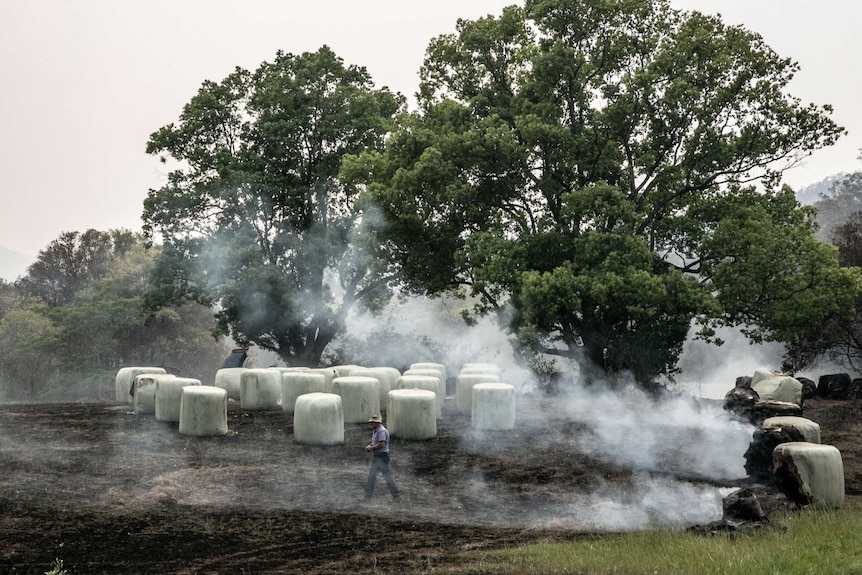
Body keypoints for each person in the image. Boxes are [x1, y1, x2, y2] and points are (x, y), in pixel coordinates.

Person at [364, 414, 400, 501]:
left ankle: (396, 495)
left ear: (377, 423)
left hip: (381, 456)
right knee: (375, 476)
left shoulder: (381, 431)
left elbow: (382, 444)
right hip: (379, 456)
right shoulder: (377, 430)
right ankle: (395, 495)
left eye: (372, 422)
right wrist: (371, 445)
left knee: (381, 476)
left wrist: (371, 447)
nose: (371, 424)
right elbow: (377, 442)